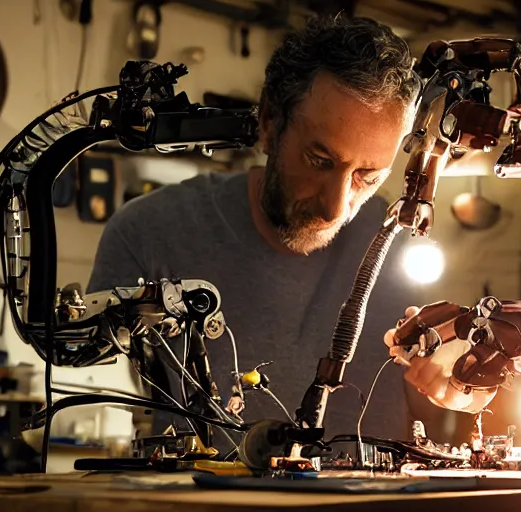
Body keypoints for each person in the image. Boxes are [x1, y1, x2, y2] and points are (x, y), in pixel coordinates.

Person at [87, 14, 430, 442]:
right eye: (320, 161)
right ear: (269, 122)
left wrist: (464, 385)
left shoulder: (401, 242)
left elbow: (445, 403)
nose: (336, 207)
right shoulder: (149, 232)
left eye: (369, 176)